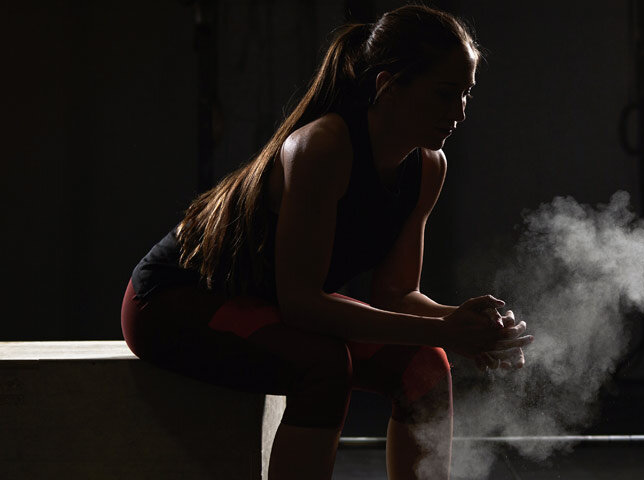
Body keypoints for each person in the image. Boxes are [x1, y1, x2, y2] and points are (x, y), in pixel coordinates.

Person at [121, 5, 533, 479]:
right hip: (173, 301)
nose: (459, 111)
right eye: (444, 94)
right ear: (388, 85)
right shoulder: (324, 146)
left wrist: (467, 324)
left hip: (266, 302)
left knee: (425, 366)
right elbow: (302, 306)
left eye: (466, 94)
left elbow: (396, 295)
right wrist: (444, 329)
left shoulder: (429, 167)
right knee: (325, 365)